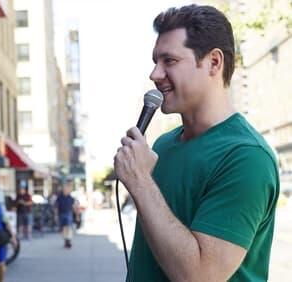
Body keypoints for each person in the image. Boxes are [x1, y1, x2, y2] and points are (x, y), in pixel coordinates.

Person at [114, 5, 279, 281]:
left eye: (169, 61)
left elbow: (201, 276)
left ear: (214, 62)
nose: (155, 74)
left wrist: (140, 182)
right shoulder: (163, 145)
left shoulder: (247, 158)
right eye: (155, 61)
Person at [55, 183, 77, 248]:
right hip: (61, 213)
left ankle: (68, 240)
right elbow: (56, 206)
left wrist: (77, 214)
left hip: (68, 213)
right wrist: (55, 215)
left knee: (68, 227)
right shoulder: (59, 197)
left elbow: (74, 206)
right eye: (65, 189)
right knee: (63, 228)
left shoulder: (71, 197)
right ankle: (66, 240)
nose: (66, 190)